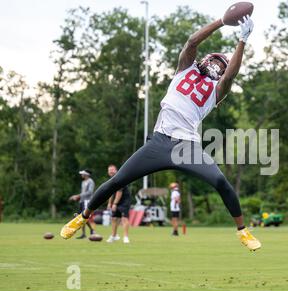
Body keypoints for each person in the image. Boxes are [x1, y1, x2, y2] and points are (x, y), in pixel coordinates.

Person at [60, 15, 261, 251]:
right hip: (160, 141)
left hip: (187, 146)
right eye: (215, 61)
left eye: (221, 65)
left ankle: (242, 231)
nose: (217, 66)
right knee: (118, 180)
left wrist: (242, 40)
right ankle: (83, 216)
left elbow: (230, 75)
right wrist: (222, 21)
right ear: (204, 60)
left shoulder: (217, 91)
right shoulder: (185, 68)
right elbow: (192, 42)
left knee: (220, 181)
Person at [106, 164, 132, 244]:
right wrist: (109, 203)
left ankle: (125, 237)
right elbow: (111, 193)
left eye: (112, 169)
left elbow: (119, 192)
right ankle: (114, 236)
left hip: (124, 201)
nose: (111, 171)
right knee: (114, 218)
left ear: (116, 170)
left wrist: (115, 204)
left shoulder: (120, 178)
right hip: (116, 202)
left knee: (124, 218)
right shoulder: (111, 180)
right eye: (109, 170)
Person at [68, 170, 95, 239]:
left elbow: (90, 192)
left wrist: (78, 196)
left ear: (86, 174)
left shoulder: (90, 181)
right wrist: (78, 198)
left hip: (87, 201)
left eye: (83, 174)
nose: (81, 175)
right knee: (80, 217)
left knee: (84, 216)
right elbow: (83, 193)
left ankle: (92, 230)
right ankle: (84, 233)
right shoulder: (83, 182)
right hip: (82, 201)